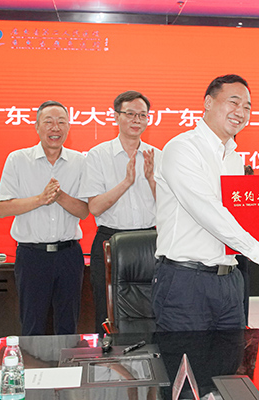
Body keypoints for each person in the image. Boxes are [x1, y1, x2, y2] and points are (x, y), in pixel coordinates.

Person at [152, 74, 259, 331]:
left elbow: (240, 217)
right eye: (233, 102)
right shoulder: (182, 149)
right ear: (208, 102)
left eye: (247, 107)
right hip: (186, 281)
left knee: (232, 356)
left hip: (230, 280)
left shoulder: (234, 158)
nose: (241, 112)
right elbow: (209, 211)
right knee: (186, 358)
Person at [0, 100, 88, 335]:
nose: (55, 128)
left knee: (68, 326)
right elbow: (2, 208)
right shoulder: (17, 159)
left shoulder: (80, 162)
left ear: (69, 127)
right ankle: (32, 361)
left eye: (61, 122)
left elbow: (85, 211)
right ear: (37, 127)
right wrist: (41, 198)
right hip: (32, 256)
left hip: (69, 255)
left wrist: (60, 197)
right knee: (32, 325)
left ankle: (67, 361)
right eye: (48, 122)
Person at [80, 91, 160, 335]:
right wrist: (127, 182)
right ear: (116, 116)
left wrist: (150, 180)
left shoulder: (157, 155)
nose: (137, 120)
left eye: (142, 115)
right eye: (130, 114)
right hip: (110, 241)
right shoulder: (98, 155)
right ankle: (108, 357)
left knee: (152, 309)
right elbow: (94, 207)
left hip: (150, 240)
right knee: (107, 311)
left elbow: (168, 206)